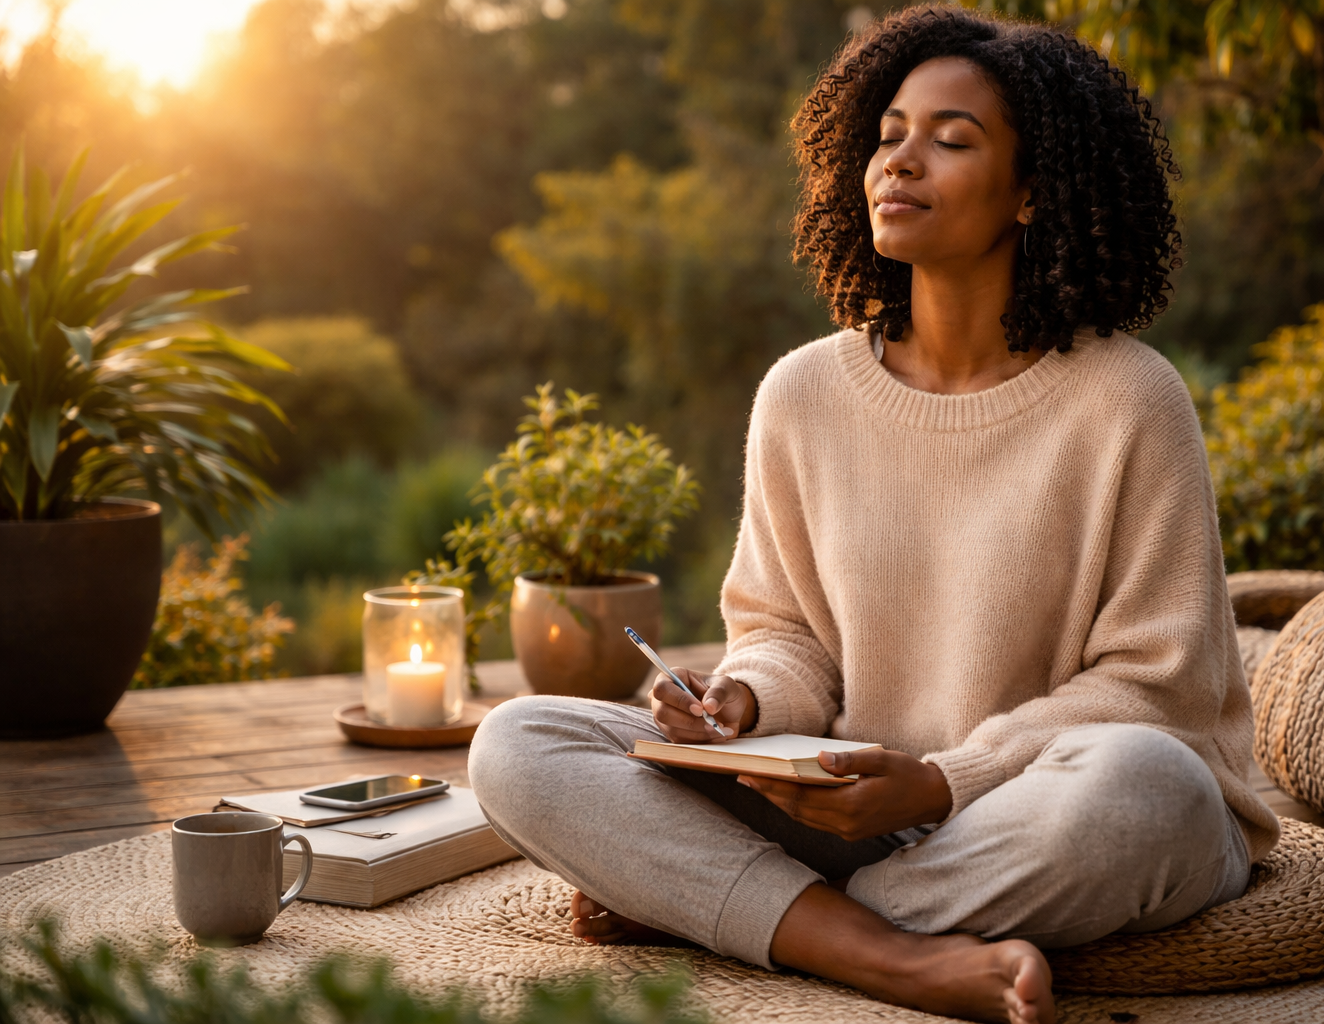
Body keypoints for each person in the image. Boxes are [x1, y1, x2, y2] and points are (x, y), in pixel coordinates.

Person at [468, 7, 1280, 1023]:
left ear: (1032, 193)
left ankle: (753, 910)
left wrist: (940, 783)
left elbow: (1156, 692)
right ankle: (885, 953)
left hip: (1035, 813)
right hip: (854, 815)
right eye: (889, 134)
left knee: (1146, 782)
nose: (901, 161)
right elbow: (787, 637)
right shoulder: (804, 393)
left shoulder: (1128, 398)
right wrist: (744, 705)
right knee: (518, 743)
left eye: (950, 140)